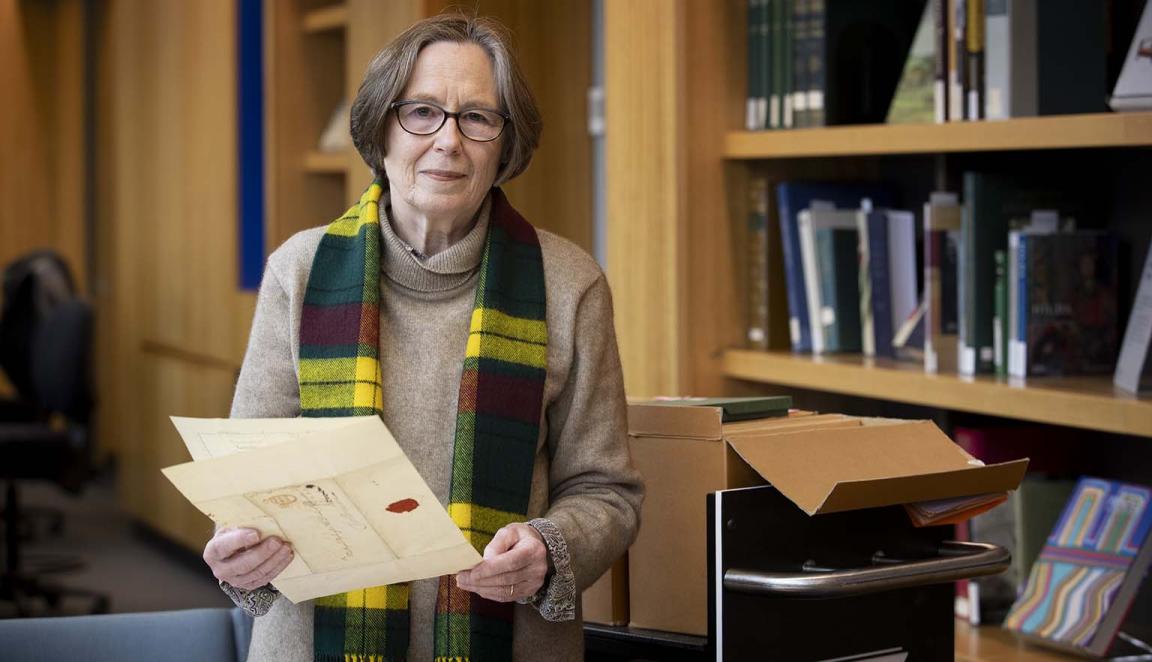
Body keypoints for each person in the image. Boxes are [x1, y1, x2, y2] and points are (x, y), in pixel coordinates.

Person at [200, 12, 643, 662]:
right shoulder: (299, 271)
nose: (448, 141)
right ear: (380, 129)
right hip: (311, 642)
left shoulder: (569, 284)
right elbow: (244, 488)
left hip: (510, 643)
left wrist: (551, 549)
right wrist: (240, 546)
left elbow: (608, 490)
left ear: (505, 145)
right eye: (422, 112)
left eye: (478, 118)